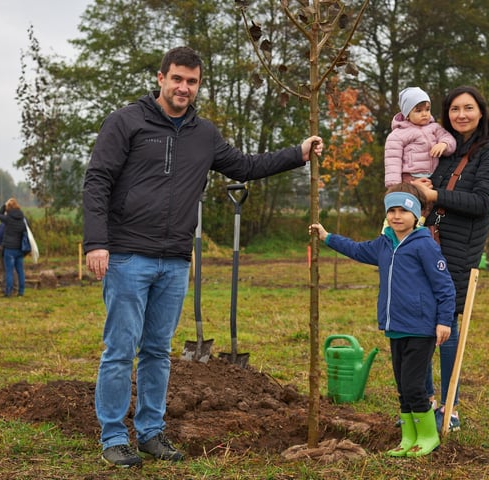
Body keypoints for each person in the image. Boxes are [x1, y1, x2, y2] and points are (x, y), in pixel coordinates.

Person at [82, 45, 323, 468]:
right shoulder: (126, 122)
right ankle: (114, 436)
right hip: (127, 256)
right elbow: (98, 180)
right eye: (177, 79)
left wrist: (297, 154)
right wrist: (96, 242)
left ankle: (152, 433)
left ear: (197, 85)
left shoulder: (204, 134)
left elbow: (246, 166)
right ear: (161, 78)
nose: (183, 88)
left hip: (175, 260)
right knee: (120, 349)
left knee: (157, 350)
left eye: (191, 82)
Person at [310, 183, 455, 458]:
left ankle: (428, 436)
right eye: (392, 211)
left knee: (414, 386)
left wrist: (444, 320)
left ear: (416, 215)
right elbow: (356, 249)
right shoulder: (384, 243)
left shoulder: (424, 245)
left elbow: (444, 286)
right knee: (402, 387)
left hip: (421, 328)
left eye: (403, 210)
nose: (396, 216)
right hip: (395, 327)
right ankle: (408, 436)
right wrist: (327, 237)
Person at [412, 85, 489, 433]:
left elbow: (483, 202)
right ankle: (425, 403)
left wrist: (436, 194)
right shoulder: (443, 150)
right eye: (454, 109)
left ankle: (450, 410)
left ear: (481, 112)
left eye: (468, 108)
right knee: (418, 327)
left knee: (446, 327)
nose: (461, 115)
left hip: (456, 252)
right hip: (426, 244)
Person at [384, 87, 456, 188]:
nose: (424, 114)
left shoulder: (434, 127)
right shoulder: (397, 135)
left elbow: (449, 138)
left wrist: (444, 144)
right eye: (418, 111)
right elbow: (392, 162)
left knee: (433, 201)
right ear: (407, 115)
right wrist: (396, 186)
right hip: (411, 179)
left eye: (427, 109)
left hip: (435, 177)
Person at [0, 197, 27, 297]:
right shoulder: (23, 219)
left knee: (9, 271)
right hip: (20, 249)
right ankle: (21, 292)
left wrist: (4, 207)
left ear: (8, 208)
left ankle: (8, 292)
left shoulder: (8, 218)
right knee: (20, 271)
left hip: (9, 249)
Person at [0, 222, 17, 294]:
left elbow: (1, 234)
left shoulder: (5, 223)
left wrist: (0, 245)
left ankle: (9, 288)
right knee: (6, 268)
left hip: (5, 246)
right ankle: (9, 287)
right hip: (11, 246)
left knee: (6, 268)